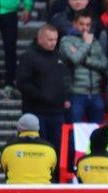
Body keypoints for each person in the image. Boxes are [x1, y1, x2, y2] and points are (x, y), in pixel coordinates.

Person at [16, 24, 69, 153]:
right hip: (36, 111)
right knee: (39, 147)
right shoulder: (28, 57)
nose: (53, 43)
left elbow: (64, 80)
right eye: (50, 40)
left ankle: (54, 173)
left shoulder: (59, 57)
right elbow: (22, 83)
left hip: (57, 112)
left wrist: (65, 97)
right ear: (40, 39)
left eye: (55, 40)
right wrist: (43, 96)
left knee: (57, 146)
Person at [1, 114, 57, 184]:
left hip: (15, 191)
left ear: (19, 128)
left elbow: (5, 169)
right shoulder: (49, 149)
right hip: (43, 192)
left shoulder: (8, 148)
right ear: (38, 127)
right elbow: (52, 170)